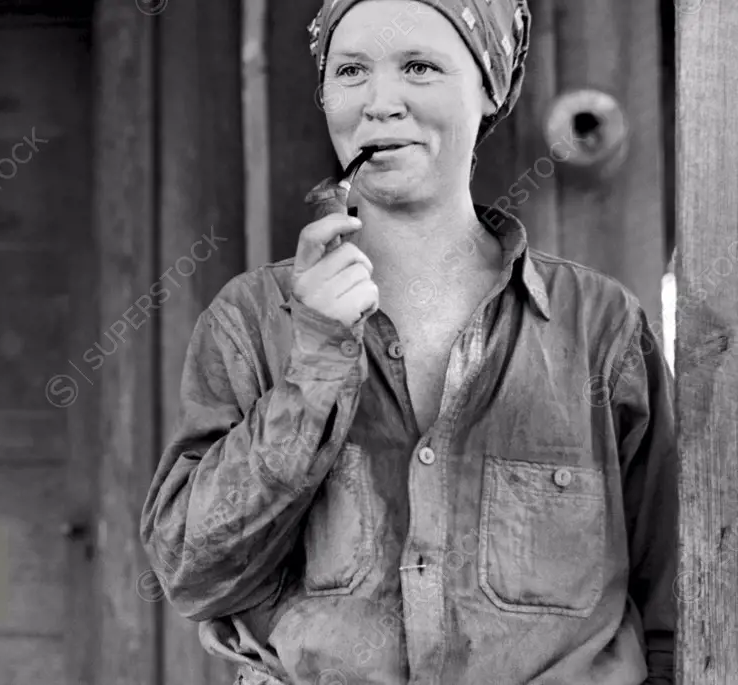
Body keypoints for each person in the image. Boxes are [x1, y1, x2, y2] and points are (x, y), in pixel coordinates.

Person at [139, 0, 678, 683]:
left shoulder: (602, 328)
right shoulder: (250, 321)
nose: (379, 102)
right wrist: (314, 371)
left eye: (419, 67)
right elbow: (191, 572)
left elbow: (676, 602)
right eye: (352, 70)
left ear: (490, 86)